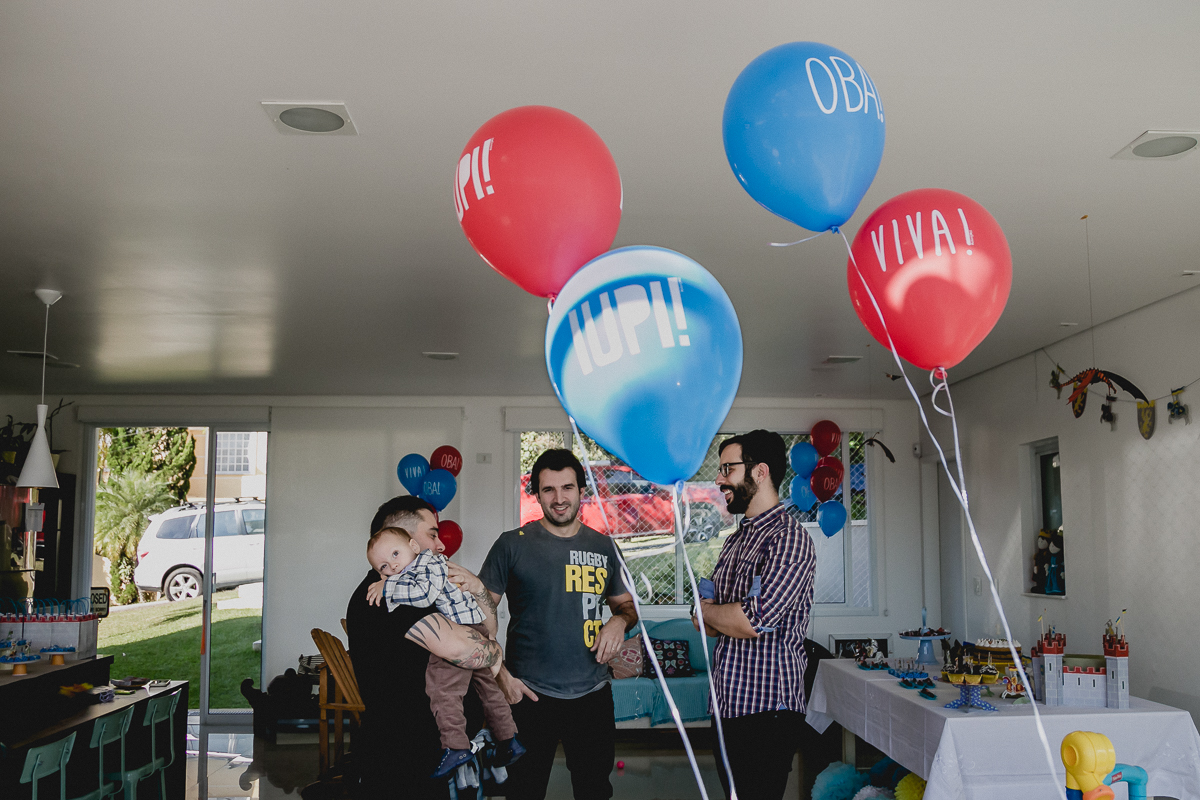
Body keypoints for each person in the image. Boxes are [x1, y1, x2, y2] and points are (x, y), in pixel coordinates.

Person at [479, 448, 638, 800]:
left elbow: (627, 606)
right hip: (528, 694)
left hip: (592, 694)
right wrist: (501, 675)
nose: (559, 498)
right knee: (523, 791)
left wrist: (618, 622)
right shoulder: (511, 545)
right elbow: (479, 617)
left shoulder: (605, 547)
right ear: (536, 493)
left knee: (595, 790)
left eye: (567, 487)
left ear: (581, 490)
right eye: (548, 489)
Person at [346, 496, 501, 800]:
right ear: (402, 539)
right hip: (404, 760)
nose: (441, 545)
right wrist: (493, 653)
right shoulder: (390, 598)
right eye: (432, 534)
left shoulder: (416, 591)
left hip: (425, 754)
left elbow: (489, 629)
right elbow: (471, 650)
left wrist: (477, 588)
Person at [693, 430, 817, 800]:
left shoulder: (789, 539)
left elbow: (754, 621)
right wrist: (713, 614)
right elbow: (705, 625)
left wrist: (711, 612)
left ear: (760, 472)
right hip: (727, 705)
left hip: (768, 711)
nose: (718, 480)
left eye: (727, 469)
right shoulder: (734, 540)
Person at [364, 526, 523, 778]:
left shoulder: (430, 564)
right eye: (382, 567)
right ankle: (509, 739)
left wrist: (387, 588)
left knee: (442, 688)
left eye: (395, 554)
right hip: (473, 627)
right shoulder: (415, 569)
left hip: (464, 628)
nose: (392, 567)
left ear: (414, 547)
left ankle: (456, 746)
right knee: (487, 689)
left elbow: (424, 595)